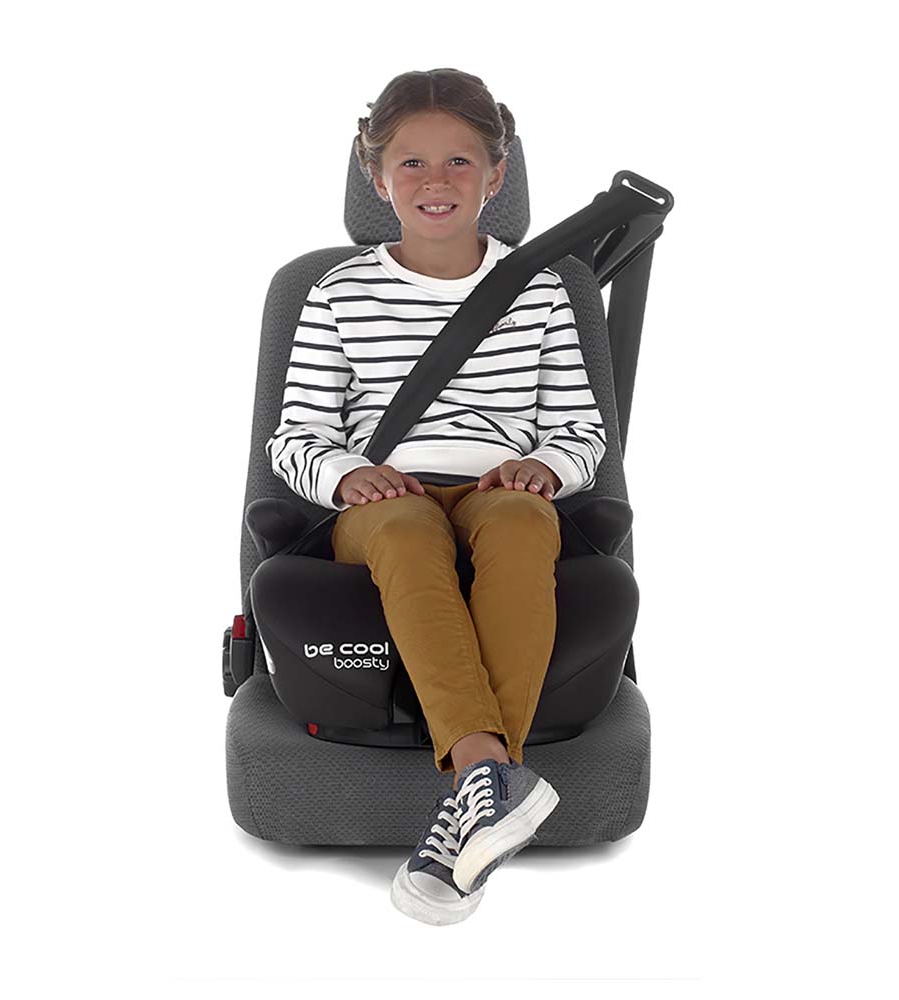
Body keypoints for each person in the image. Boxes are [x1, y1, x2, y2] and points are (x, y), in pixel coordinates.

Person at [265, 68, 607, 926]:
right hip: (384, 502)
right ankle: (492, 773)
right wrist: (345, 474)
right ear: (376, 176)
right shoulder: (334, 292)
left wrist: (547, 469)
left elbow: (580, 431)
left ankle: (477, 794)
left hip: (500, 489)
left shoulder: (542, 290)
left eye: (460, 160)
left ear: (497, 173)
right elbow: (295, 437)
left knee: (523, 520)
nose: (436, 180)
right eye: (411, 163)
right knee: (408, 529)